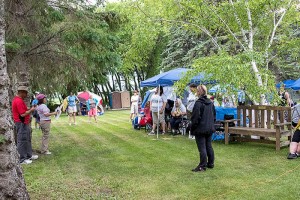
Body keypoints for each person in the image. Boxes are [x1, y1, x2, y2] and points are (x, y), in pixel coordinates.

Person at [191, 84, 216, 172]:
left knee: (202, 148)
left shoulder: (199, 103)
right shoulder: (210, 103)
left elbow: (195, 117)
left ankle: (202, 166)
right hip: (209, 127)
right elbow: (214, 116)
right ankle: (211, 163)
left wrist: (192, 127)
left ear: (199, 92)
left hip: (201, 128)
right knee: (208, 146)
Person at [12, 86, 38, 164]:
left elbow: (24, 110)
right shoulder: (18, 101)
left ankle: (28, 155)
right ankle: (22, 159)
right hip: (21, 123)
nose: (26, 95)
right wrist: (31, 110)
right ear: (21, 92)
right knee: (22, 140)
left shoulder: (19, 100)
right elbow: (22, 114)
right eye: (25, 93)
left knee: (27, 139)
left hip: (24, 123)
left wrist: (28, 109)